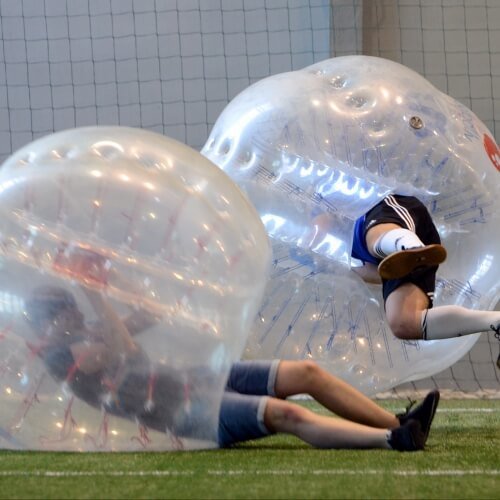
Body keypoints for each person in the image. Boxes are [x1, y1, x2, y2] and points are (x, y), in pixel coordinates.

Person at [24, 284, 440, 452]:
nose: (76, 318)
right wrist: (97, 297)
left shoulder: (90, 329)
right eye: (68, 313)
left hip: (191, 378)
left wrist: (106, 283)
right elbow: (127, 350)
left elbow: (151, 315)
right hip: (185, 410)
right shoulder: (60, 357)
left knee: (305, 373)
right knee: (286, 413)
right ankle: (394, 439)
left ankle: (400, 419)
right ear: (50, 322)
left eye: (74, 310)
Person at [349, 194, 500, 345]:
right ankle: (495, 321)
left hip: (389, 208)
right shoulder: (342, 259)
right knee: (403, 322)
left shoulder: (336, 206)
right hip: (407, 253)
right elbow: (378, 272)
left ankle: (410, 247)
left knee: (373, 242)